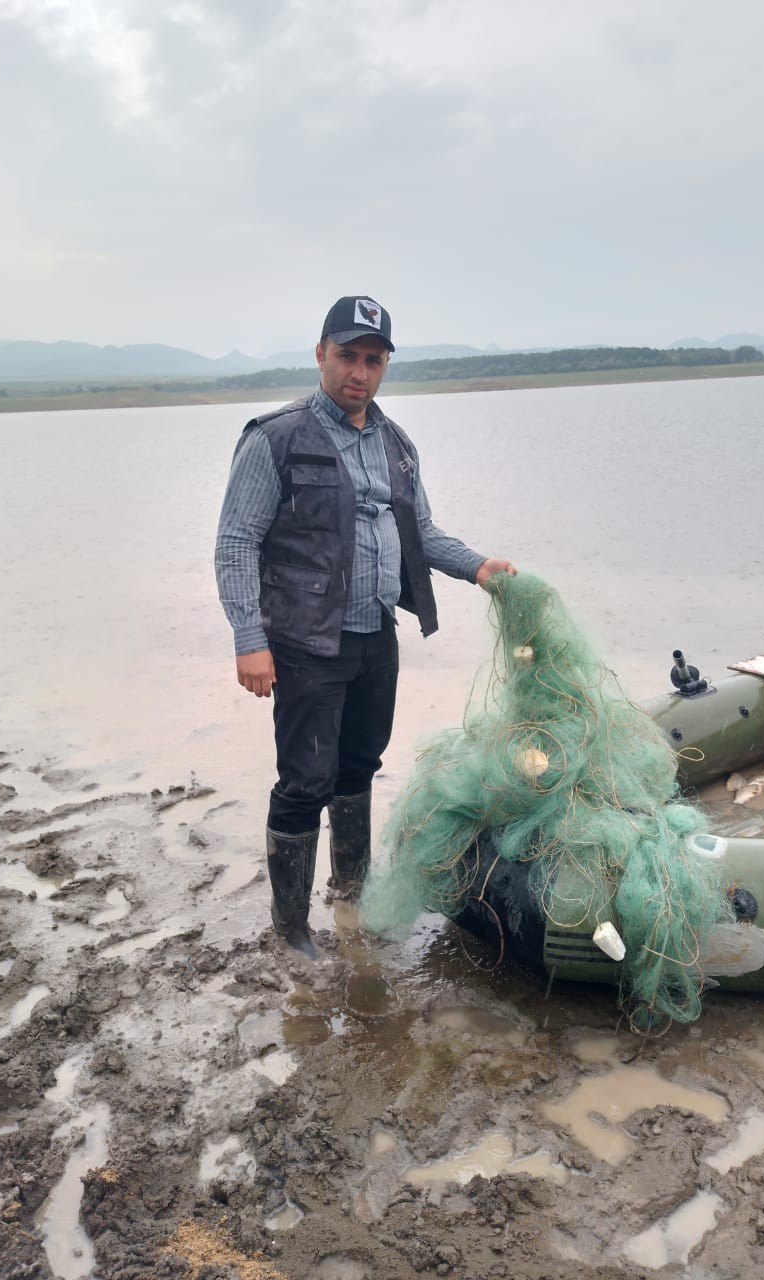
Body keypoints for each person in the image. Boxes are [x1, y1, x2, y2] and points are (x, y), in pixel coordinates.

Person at [215, 295, 516, 956]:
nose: (359, 370)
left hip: (376, 636)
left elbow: (422, 531)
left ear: (385, 367)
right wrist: (250, 640)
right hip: (303, 643)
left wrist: (479, 568)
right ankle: (291, 930)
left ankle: (351, 887)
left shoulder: (395, 444)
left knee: (360, 765)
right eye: (347, 355)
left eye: (373, 359)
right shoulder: (275, 437)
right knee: (304, 783)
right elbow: (236, 544)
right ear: (321, 354)